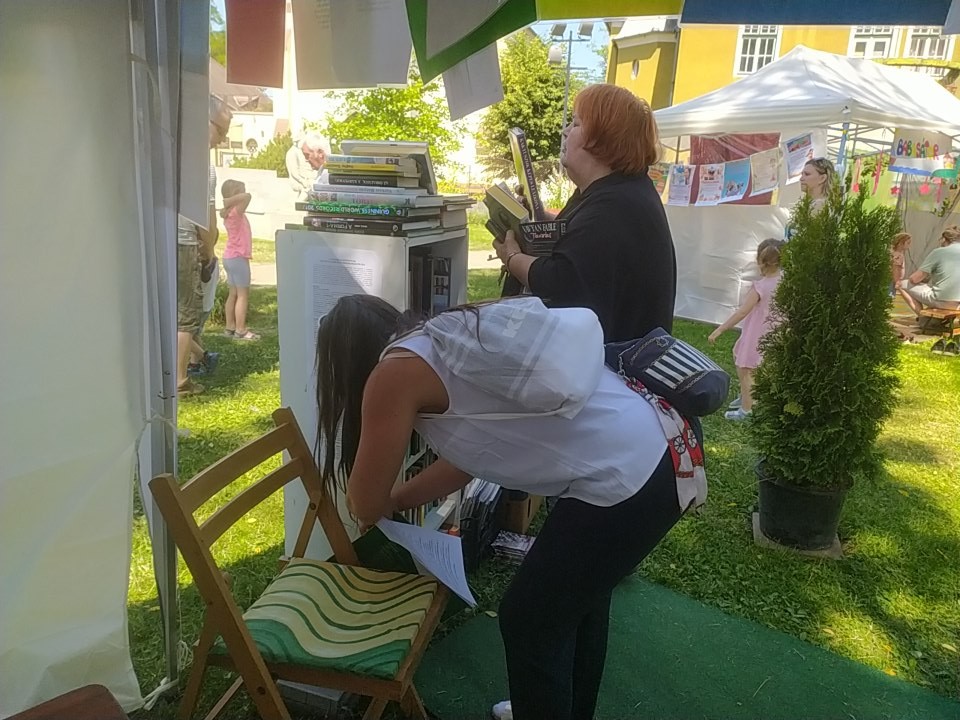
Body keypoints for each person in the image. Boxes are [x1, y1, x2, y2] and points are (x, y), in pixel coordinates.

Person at [315, 295, 701, 720]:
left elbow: (365, 503)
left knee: (529, 620)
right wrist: (399, 499)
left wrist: (371, 497)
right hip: (658, 436)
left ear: (343, 364)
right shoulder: (441, 340)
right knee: (576, 603)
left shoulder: (393, 373)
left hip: (629, 472)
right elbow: (464, 461)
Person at [492, 83, 676, 343]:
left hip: (611, 363)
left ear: (602, 140)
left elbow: (559, 281)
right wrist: (537, 217)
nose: (565, 131)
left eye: (576, 124)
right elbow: (581, 239)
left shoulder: (614, 206)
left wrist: (511, 256)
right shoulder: (614, 192)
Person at [176, 95, 232, 395]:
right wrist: (208, 253)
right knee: (186, 315)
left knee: (168, 310)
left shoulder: (172, 151)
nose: (222, 139)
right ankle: (181, 380)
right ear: (204, 122)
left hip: (161, 239)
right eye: (221, 130)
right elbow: (206, 218)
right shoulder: (203, 165)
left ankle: (193, 359)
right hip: (185, 242)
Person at [707, 239, 784, 420]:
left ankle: (746, 410)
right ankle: (746, 395)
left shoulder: (760, 287)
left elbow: (742, 312)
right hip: (774, 332)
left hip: (756, 334)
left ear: (760, 261)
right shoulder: (785, 282)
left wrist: (720, 329)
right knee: (738, 353)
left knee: (746, 369)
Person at [219, 179, 259, 340]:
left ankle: (230, 327)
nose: (244, 193)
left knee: (233, 294)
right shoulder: (236, 211)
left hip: (229, 257)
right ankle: (241, 329)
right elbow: (247, 196)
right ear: (235, 195)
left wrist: (228, 202)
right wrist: (229, 201)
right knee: (243, 295)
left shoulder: (228, 213)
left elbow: (245, 196)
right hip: (238, 258)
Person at [900, 225, 960, 315]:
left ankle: (921, 315)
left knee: (901, 284)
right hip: (958, 303)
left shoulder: (939, 252)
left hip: (943, 300)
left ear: (944, 239)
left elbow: (914, 279)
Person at [187, 255, 220, 377]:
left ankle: (206, 357)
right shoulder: (212, 260)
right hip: (204, 305)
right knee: (193, 334)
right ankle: (194, 365)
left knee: (180, 334)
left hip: (196, 306)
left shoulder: (199, 263)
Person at [285, 132, 329, 201]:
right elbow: (294, 171)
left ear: (320, 153)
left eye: (307, 155)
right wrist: (304, 182)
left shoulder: (330, 175)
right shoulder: (292, 152)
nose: (306, 160)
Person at [890, 232, 911, 297]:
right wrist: (897, 281)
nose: (909, 245)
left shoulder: (897, 254)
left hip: (893, 279)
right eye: (908, 243)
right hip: (893, 280)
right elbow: (896, 268)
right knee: (890, 295)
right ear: (900, 243)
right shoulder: (898, 255)